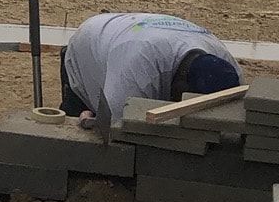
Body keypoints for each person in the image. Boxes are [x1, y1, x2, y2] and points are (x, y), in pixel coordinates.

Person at [60, 12, 240, 136]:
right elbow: (114, 130)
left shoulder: (230, 69)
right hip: (91, 43)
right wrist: (93, 121)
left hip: (141, 32)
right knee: (75, 137)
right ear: (181, 85)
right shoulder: (137, 73)